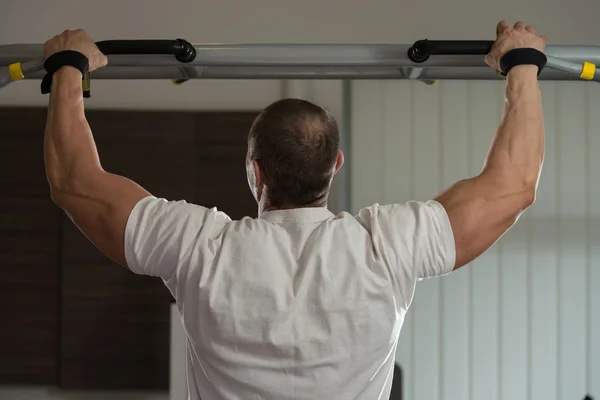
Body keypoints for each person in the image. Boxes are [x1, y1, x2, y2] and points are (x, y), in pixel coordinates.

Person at [42, 20, 546, 400]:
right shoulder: (385, 247)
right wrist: (521, 63)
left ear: (255, 172)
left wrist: (69, 69)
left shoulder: (201, 247)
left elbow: (75, 183)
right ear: (336, 166)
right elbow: (514, 185)